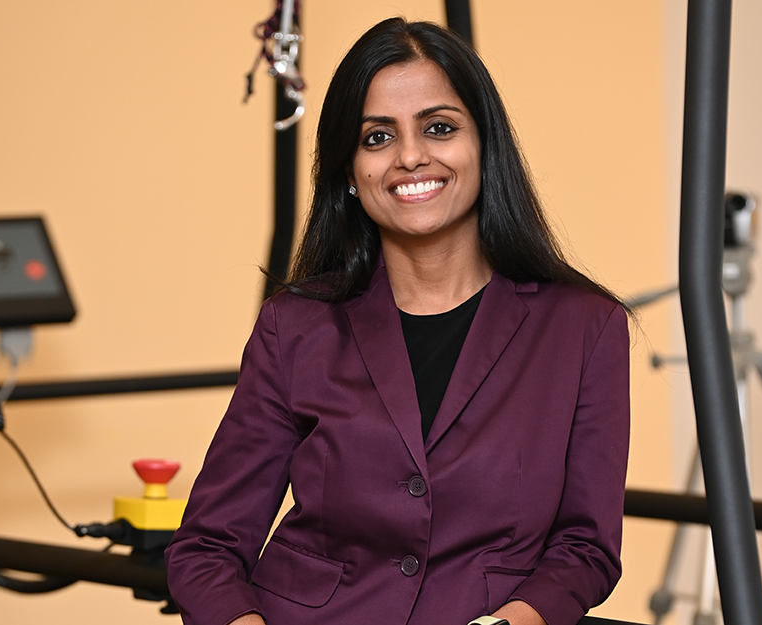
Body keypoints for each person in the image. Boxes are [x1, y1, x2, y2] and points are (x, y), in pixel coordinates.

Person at [165, 17, 630, 625]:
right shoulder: (295, 326)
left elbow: (585, 548)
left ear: (485, 145)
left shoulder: (584, 328)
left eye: (439, 128)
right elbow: (206, 548)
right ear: (350, 172)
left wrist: (519, 621)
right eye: (377, 138)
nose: (411, 157)